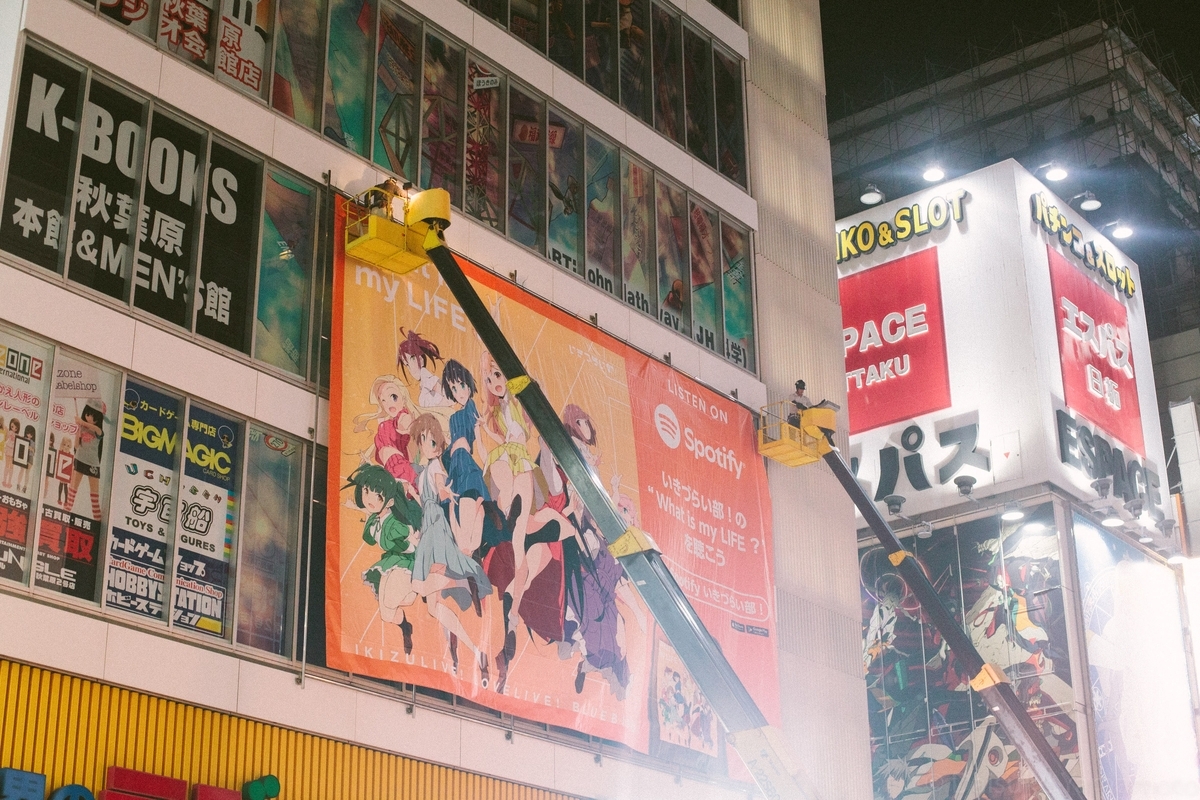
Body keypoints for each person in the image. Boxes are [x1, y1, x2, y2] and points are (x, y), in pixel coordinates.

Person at [410, 413, 493, 679]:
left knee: (418, 585)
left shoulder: (435, 466)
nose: (430, 445)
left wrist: (446, 493)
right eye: (425, 440)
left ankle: (460, 578)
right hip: (428, 527)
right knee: (433, 607)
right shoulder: (424, 470)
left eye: (433, 441)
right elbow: (426, 497)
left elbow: (440, 486)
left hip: (436, 528)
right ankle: (476, 651)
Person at [344, 463, 422, 654]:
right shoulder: (374, 519)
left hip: (407, 563)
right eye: (366, 491)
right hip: (391, 562)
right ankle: (405, 627)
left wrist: (414, 542)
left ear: (389, 501)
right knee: (387, 615)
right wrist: (354, 507)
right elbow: (372, 530)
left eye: (378, 496)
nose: (370, 499)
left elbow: (410, 543)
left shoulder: (395, 524)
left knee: (392, 601)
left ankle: (420, 588)